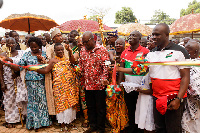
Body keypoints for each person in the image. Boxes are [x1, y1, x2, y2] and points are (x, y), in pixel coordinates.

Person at [146, 23, 190, 133]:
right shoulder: (151, 53)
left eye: (157, 35)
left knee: (173, 129)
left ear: (167, 35)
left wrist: (178, 99)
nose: (154, 37)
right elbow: (143, 71)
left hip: (173, 98)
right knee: (159, 128)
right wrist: (118, 69)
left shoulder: (180, 51)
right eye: (153, 35)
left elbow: (185, 77)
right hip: (157, 97)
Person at [9, 37, 52, 131]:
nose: (33, 49)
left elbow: (48, 65)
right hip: (30, 82)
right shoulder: (27, 54)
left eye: (35, 47)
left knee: (42, 101)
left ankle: (44, 122)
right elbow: (20, 66)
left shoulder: (44, 54)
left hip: (41, 80)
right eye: (32, 47)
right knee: (33, 102)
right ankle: (35, 124)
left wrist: (42, 60)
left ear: (39, 46)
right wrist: (9, 64)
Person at [36, 43, 79, 132]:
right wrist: (34, 69)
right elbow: (46, 70)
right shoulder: (52, 61)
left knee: (70, 105)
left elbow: (73, 62)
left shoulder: (68, 59)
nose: (60, 51)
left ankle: (69, 122)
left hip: (69, 87)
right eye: (58, 50)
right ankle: (62, 124)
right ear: (54, 51)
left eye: (61, 50)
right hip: (59, 88)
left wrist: (70, 51)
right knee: (61, 105)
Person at [119, 30, 149, 133]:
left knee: (140, 108)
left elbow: (144, 69)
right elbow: (121, 69)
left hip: (140, 85)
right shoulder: (125, 52)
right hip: (127, 85)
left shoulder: (145, 51)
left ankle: (139, 129)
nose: (130, 37)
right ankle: (132, 127)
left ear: (139, 39)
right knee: (130, 108)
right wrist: (119, 84)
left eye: (134, 36)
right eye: (130, 35)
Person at [79, 31, 109, 133]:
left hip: (99, 85)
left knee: (100, 108)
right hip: (87, 85)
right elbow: (81, 66)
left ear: (92, 39)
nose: (84, 44)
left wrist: (104, 78)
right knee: (90, 107)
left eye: (86, 42)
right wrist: (82, 79)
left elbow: (106, 65)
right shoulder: (82, 50)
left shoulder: (102, 50)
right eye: (83, 42)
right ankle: (93, 126)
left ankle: (101, 128)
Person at [0, 37, 26, 128]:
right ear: (5, 44)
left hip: (19, 80)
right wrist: (2, 83)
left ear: (16, 43)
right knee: (9, 101)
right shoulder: (2, 54)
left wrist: (17, 72)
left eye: (13, 43)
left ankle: (20, 118)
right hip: (8, 81)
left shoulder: (21, 53)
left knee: (20, 100)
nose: (11, 45)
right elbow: (0, 70)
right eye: (8, 43)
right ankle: (10, 120)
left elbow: (22, 66)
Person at [106, 38, 129, 133]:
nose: (118, 45)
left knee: (121, 103)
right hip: (111, 81)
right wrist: (117, 60)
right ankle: (113, 123)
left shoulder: (126, 55)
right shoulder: (111, 52)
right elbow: (112, 59)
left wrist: (119, 85)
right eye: (117, 44)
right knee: (111, 102)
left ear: (124, 45)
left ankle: (122, 125)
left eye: (120, 44)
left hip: (122, 82)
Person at [45, 28, 69, 115]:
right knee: (57, 97)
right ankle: (57, 116)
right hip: (55, 76)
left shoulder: (65, 46)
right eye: (58, 36)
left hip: (66, 76)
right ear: (53, 38)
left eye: (60, 35)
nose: (60, 37)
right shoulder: (50, 48)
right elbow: (48, 61)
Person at [182, 40, 200, 133]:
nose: (185, 52)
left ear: (196, 52)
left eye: (187, 50)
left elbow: (195, 88)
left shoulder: (194, 65)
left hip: (194, 102)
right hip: (187, 103)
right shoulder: (185, 63)